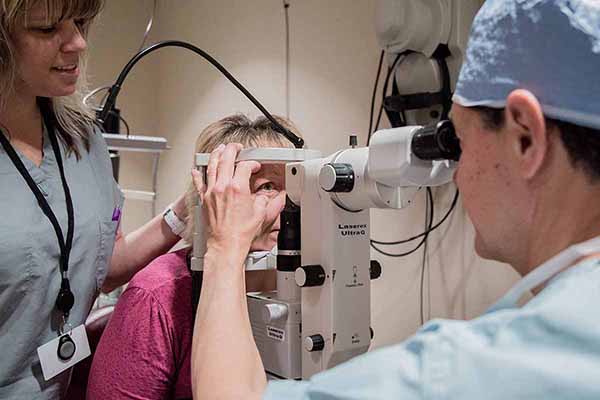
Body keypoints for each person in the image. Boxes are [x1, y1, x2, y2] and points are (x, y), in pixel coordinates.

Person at [190, 0, 600, 399]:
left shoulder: (476, 369)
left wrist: (224, 249)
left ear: (525, 138)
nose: (455, 170)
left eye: (457, 140)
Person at [0, 1, 187, 398]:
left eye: (80, 22)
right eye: (49, 29)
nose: (78, 42)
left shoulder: (83, 141)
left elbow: (103, 267)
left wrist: (187, 211)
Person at [86, 114, 298, 400]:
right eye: (267, 187)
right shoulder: (155, 297)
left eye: (295, 187)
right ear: (216, 196)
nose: (290, 205)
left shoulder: (304, 280)